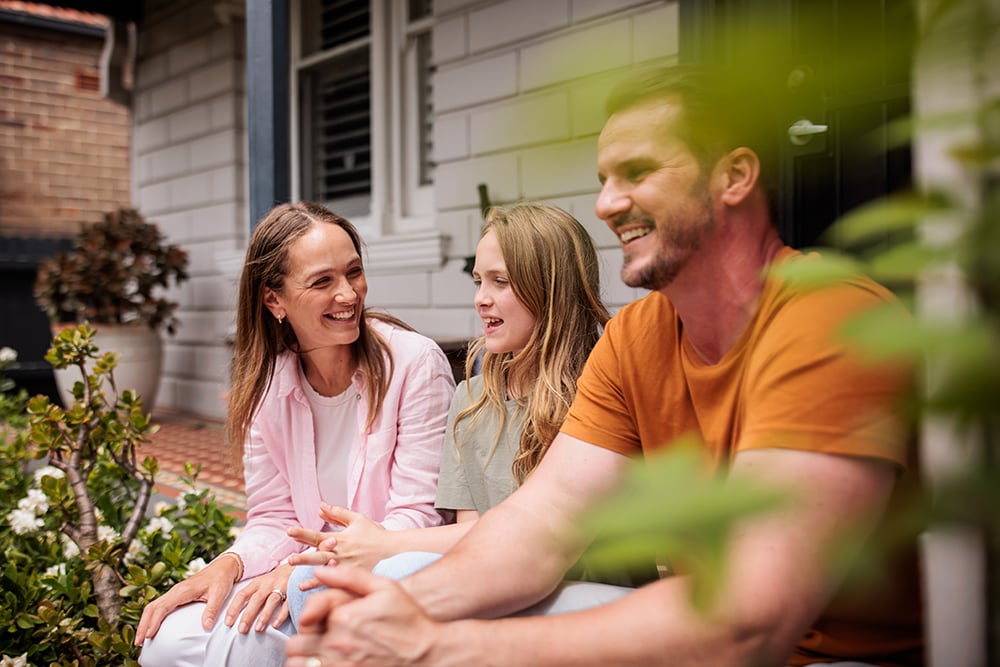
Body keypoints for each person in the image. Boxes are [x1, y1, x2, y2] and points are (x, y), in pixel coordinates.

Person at [285, 64, 924, 667]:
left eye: (638, 172)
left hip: (836, 656)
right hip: (702, 634)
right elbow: (539, 527)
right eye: (604, 179)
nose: (607, 204)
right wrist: (392, 611)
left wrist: (439, 646)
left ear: (734, 177)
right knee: (381, 593)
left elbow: (750, 619)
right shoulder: (637, 337)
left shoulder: (829, 319)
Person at [283, 202, 644, 628]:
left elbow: (549, 547)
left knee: (395, 573)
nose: (481, 299)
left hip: (582, 591)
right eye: (478, 280)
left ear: (551, 288)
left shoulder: (601, 392)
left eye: (501, 282)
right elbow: (469, 534)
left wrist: (385, 544)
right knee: (310, 578)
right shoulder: (472, 399)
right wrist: (367, 547)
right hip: (492, 576)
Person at [134, 201, 456, 666]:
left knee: (242, 645)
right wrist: (231, 564)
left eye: (354, 272)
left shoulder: (414, 363)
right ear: (274, 300)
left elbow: (419, 516)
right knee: (166, 643)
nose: (348, 294)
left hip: (388, 577)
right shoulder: (268, 385)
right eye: (323, 281)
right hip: (306, 575)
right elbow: (274, 516)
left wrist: (298, 571)